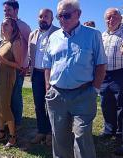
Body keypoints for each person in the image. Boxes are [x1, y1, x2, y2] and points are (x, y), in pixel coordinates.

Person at [43, 0, 107, 157]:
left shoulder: (93, 35)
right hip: (57, 95)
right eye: (59, 16)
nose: (62, 20)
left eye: (66, 15)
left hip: (83, 95)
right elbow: (47, 65)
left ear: (78, 14)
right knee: (60, 138)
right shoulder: (53, 37)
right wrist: (48, 88)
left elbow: (101, 65)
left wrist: (95, 90)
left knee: (82, 136)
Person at [28, 8, 59, 146]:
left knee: (52, 105)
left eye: (46, 16)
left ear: (52, 19)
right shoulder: (33, 34)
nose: (43, 18)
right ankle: (41, 130)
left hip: (52, 75)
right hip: (36, 74)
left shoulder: (58, 32)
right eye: (41, 16)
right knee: (39, 105)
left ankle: (51, 133)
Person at [0, 17, 22, 148]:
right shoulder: (3, 42)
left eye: (6, 24)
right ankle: (1, 131)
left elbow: (18, 65)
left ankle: (13, 136)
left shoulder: (16, 42)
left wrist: (1, 59)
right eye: (2, 24)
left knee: (4, 105)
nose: (3, 27)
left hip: (8, 77)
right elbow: (0, 59)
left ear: (13, 27)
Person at [3, 0, 31, 129]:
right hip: (7, 67)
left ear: (16, 10)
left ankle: (17, 123)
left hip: (19, 67)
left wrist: (27, 65)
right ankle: (9, 121)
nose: (6, 13)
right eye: (5, 10)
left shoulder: (23, 26)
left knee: (16, 97)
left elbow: (31, 46)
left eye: (8, 10)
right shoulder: (5, 25)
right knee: (7, 96)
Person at [100, 8, 123, 141]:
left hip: (120, 73)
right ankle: (109, 130)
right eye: (108, 18)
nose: (111, 20)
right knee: (105, 103)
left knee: (121, 105)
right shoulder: (103, 35)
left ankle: (120, 135)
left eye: (114, 17)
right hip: (104, 74)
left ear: (120, 18)